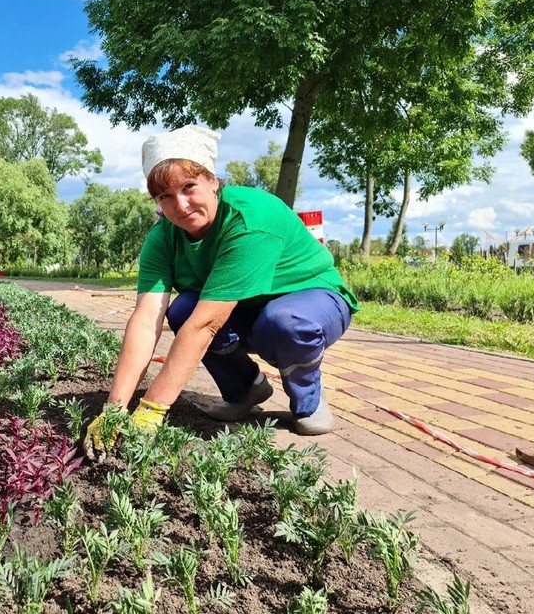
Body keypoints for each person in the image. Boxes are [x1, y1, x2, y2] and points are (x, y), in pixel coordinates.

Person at [84, 124, 359, 456]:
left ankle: (308, 399)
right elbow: (145, 319)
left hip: (311, 296)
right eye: (165, 196)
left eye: (189, 187)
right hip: (242, 306)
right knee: (183, 310)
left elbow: (207, 324)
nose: (181, 205)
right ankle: (245, 390)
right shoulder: (163, 237)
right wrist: (114, 408)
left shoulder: (249, 219)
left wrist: (152, 408)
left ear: (213, 181)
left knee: (283, 322)